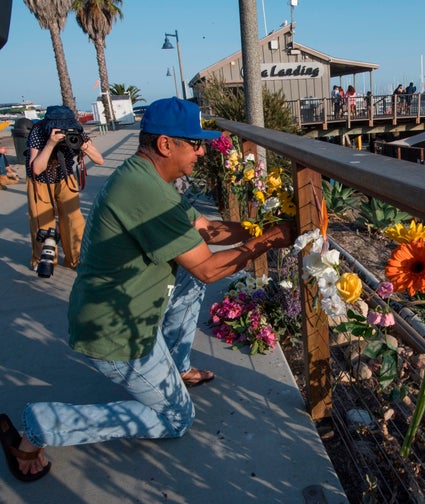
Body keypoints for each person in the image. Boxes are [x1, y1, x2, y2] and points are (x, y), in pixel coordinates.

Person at [0, 97, 296, 482]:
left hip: (127, 314)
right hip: (115, 334)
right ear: (165, 145)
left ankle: (176, 365)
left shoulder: (148, 177)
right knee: (177, 417)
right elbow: (208, 269)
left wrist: (266, 227)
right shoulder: (146, 193)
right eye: (194, 143)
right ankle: (40, 425)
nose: (201, 151)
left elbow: (207, 230)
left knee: (186, 278)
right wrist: (269, 241)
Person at [25, 106, 104, 270]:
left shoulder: (76, 132)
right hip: (39, 179)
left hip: (65, 175)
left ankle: (76, 259)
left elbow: (99, 160)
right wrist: (50, 143)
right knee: (41, 220)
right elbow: (37, 169)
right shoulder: (38, 132)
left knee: (73, 219)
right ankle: (43, 260)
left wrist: (84, 146)